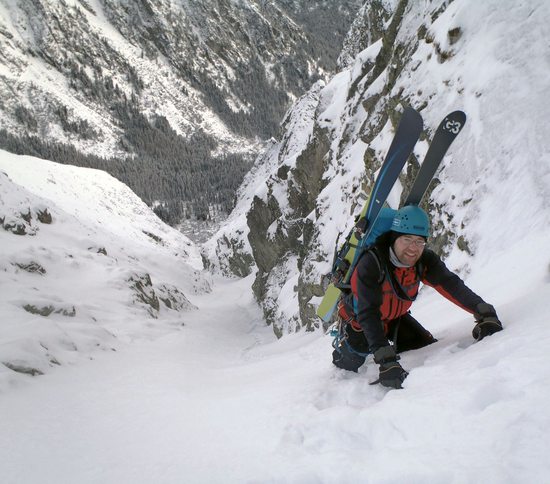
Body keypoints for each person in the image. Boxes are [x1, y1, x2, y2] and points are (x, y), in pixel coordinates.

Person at [332, 205, 503, 389]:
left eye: (419, 241)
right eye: (407, 239)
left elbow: (451, 284)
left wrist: (483, 310)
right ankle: (341, 356)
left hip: (395, 318)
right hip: (360, 324)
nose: (413, 248)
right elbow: (368, 312)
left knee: (424, 347)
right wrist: (385, 360)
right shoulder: (371, 264)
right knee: (350, 364)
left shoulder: (423, 261)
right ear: (394, 238)